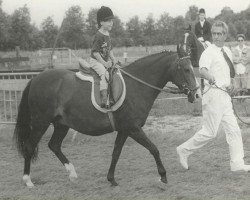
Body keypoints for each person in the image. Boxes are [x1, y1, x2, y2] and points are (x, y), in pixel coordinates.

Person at [177, 21, 250, 172]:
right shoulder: (208, 52)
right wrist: (209, 76)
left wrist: (231, 84)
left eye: (219, 33)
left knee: (234, 129)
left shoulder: (227, 51)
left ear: (225, 35)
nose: (216, 36)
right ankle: (184, 150)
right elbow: (202, 70)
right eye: (214, 33)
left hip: (225, 96)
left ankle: (237, 164)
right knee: (210, 132)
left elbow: (229, 74)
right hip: (213, 96)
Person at [90, 6, 117, 108]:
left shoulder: (107, 34)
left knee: (114, 73)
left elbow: (109, 49)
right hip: (95, 61)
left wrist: (113, 59)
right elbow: (96, 53)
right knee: (104, 74)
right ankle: (104, 98)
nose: (111, 23)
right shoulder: (99, 35)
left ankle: (113, 96)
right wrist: (104, 63)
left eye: (111, 20)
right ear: (101, 23)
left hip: (104, 60)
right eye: (108, 21)